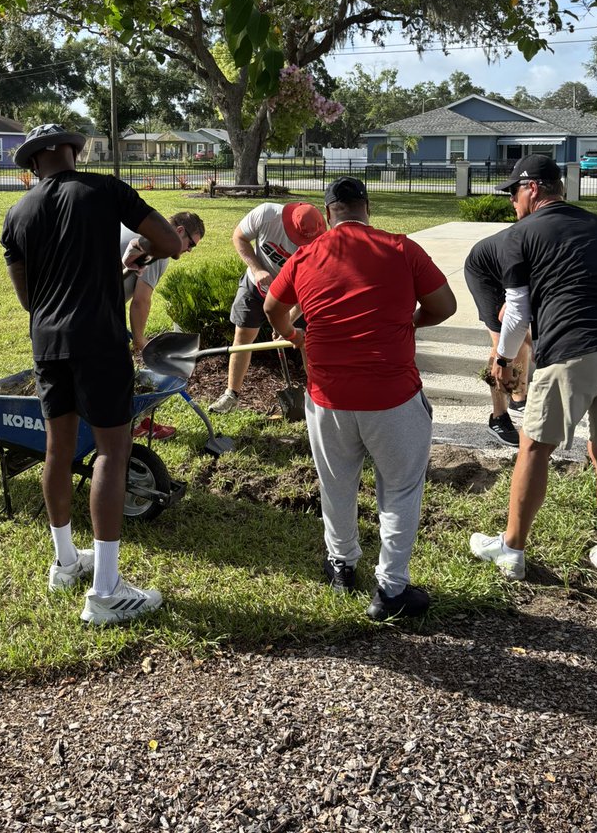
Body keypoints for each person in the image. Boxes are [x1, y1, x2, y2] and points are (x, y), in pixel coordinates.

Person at [1, 124, 182, 625]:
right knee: (111, 451)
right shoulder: (104, 188)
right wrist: (141, 256)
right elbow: (168, 240)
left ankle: (65, 562)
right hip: (99, 339)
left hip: (48, 341)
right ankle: (105, 590)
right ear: (67, 152)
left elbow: (26, 298)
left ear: (35, 162)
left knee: (58, 450)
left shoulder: (16, 214)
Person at [264, 177, 457, 621]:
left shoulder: (306, 255)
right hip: (392, 395)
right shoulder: (401, 248)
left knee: (336, 483)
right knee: (401, 488)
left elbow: (273, 309)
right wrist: (408, 321)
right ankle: (390, 590)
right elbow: (444, 306)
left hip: (328, 397)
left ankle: (341, 564)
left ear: (328, 212)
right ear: (366, 208)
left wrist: (297, 337)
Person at [469, 154, 597, 592]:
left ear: (531, 189)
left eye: (513, 193)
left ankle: (510, 551)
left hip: (572, 349)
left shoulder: (521, 234)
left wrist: (504, 359)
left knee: (533, 448)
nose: (512, 203)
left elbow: (515, 310)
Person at [208, 200, 326, 414]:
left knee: (307, 341)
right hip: (256, 286)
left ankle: (318, 399)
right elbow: (239, 237)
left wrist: (286, 322)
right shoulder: (267, 214)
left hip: (294, 297)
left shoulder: (320, 247)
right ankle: (231, 394)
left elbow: (305, 295)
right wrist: (257, 269)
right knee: (242, 337)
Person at [121, 211, 205, 440]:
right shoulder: (161, 246)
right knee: (119, 369)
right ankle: (129, 423)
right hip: (91, 306)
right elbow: (141, 301)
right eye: (191, 244)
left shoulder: (142, 227)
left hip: (79, 298)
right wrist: (139, 340)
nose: (189, 250)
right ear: (179, 231)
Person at [464, 229, 533, 448]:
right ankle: (498, 418)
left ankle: (518, 398)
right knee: (504, 342)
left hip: (512, 273)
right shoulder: (542, 239)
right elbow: (509, 315)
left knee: (522, 339)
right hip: (485, 272)